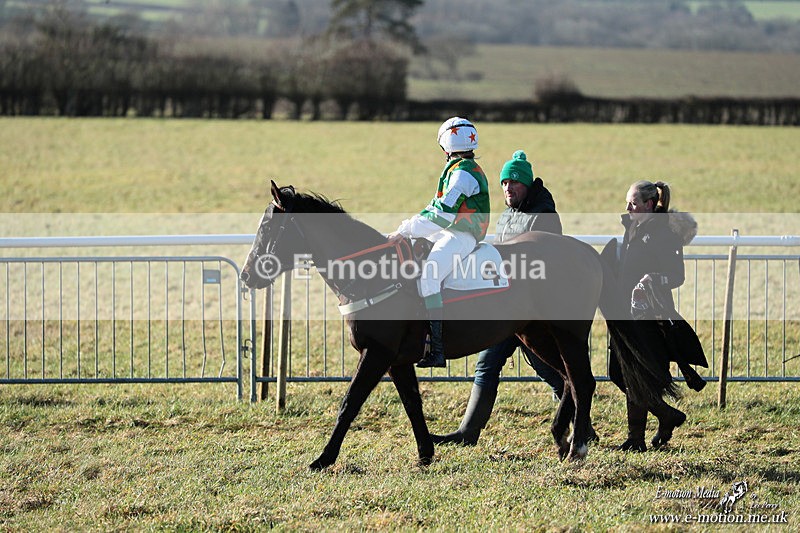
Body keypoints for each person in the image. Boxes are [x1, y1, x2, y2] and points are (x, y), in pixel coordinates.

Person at [431, 150, 568, 445]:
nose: (508, 188)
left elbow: (542, 264)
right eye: (504, 182)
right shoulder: (508, 215)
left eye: (515, 183)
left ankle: (580, 422)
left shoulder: (543, 216)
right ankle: (468, 433)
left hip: (531, 311)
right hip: (507, 308)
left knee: (551, 369)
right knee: (489, 365)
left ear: (528, 185)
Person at [608, 180, 708, 452]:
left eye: (634, 203)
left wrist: (653, 279)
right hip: (624, 312)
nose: (628, 207)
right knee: (619, 372)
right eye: (628, 202)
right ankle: (665, 415)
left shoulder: (663, 233)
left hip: (649, 314)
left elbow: (677, 276)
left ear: (650, 204)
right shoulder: (633, 226)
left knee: (634, 374)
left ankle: (636, 438)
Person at [391, 117, 490, 368]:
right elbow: (434, 209)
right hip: (451, 232)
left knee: (429, 276)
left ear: (446, 146)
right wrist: (410, 228)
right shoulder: (461, 170)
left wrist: (406, 229)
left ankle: (436, 349)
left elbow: (441, 214)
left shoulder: (463, 174)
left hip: (462, 236)